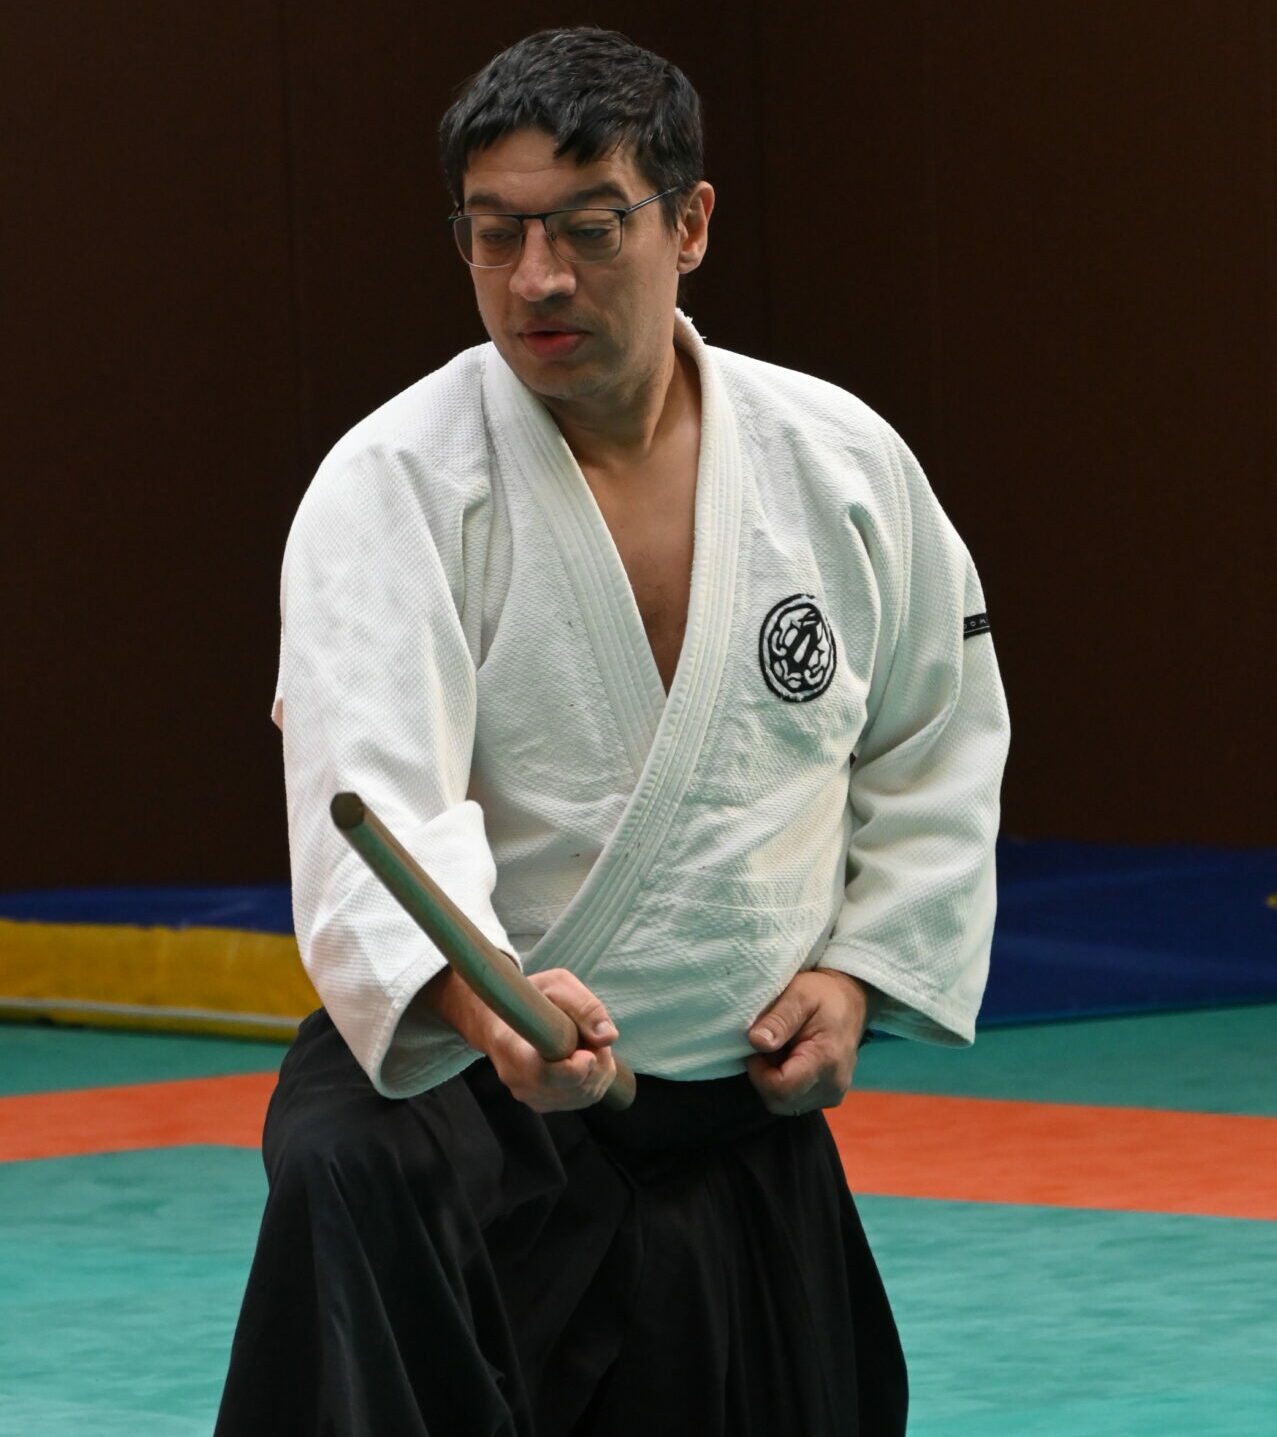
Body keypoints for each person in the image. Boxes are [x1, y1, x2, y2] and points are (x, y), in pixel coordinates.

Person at [216, 26, 1008, 1437]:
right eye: (495, 233)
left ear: (688, 224)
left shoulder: (839, 466)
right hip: (468, 1108)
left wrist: (857, 974)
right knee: (354, 1186)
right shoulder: (393, 484)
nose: (537, 278)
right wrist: (488, 1010)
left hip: (728, 1106)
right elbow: (377, 811)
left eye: (589, 229)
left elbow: (932, 741)